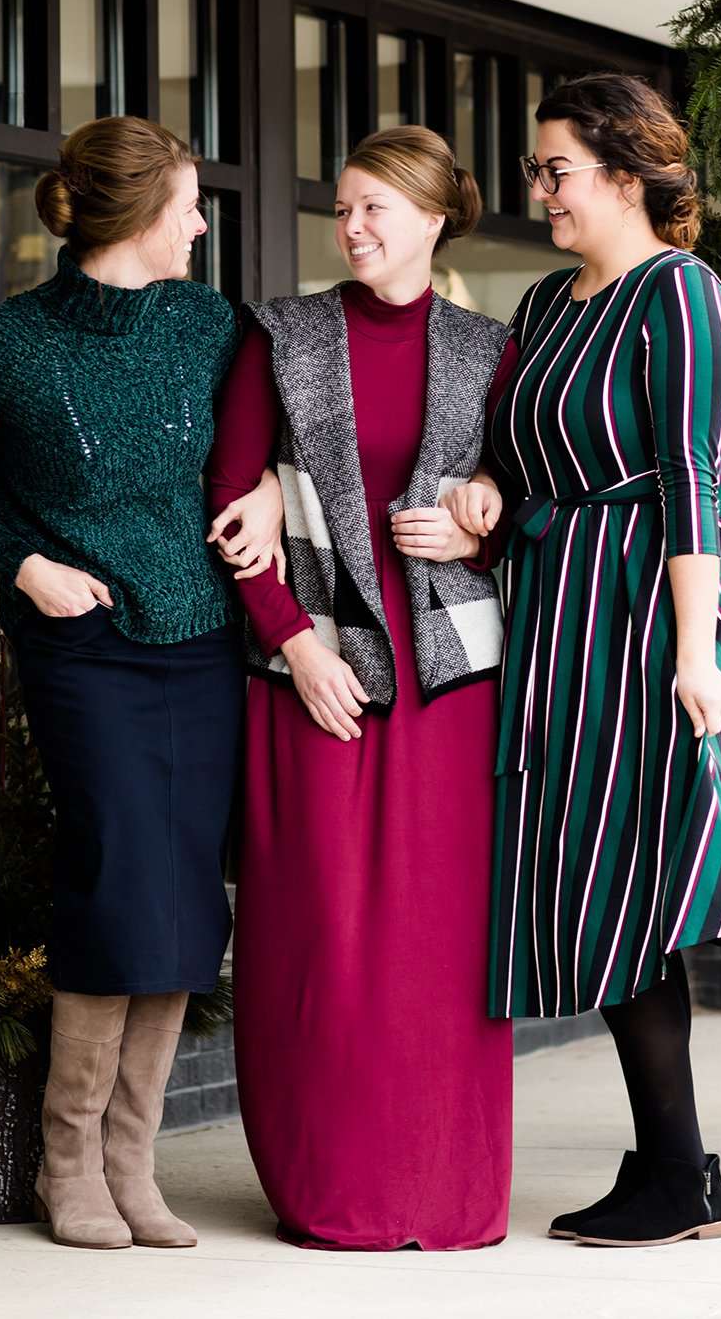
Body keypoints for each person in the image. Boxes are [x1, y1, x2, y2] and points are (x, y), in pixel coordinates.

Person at [448, 73, 721, 1249]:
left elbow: (694, 478)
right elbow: (516, 452)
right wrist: (488, 490)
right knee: (589, 872)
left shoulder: (680, 296)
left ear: (626, 175)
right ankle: (677, 1166)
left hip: (651, 607)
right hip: (557, 605)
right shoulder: (544, 302)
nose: (539, 190)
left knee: (634, 872)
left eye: (557, 170)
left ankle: (678, 1169)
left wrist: (699, 652)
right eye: (537, 170)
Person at [0, 116, 280, 1251]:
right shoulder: (8, 346)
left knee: (182, 887)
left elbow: (264, 443)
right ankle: (66, 1158)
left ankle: (134, 1157)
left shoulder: (212, 324)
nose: (204, 222)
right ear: (140, 217)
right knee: (116, 868)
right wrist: (25, 561)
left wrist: (263, 493)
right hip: (85, 645)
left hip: (202, 637)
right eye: (191, 203)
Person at [207, 125, 517, 1251]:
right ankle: (332, 1188)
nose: (355, 227)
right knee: (323, 942)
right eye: (344, 207)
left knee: (441, 950)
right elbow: (234, 504)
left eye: (379, 206)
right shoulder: (282, 336)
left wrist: (480, 519)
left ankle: (449, 1190)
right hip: (317, 680)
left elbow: (529, 503)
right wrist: (295, 644)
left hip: (448, 690)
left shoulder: (492, 350)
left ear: (437, 218)